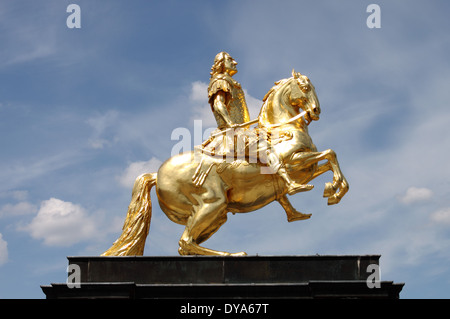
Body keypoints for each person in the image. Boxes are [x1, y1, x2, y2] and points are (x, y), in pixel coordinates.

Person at [206, 52, 311, 195]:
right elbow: (219, 105)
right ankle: (290, 184)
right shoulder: (220, 81)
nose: (235, 62)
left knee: (267, 157)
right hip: (232, 132)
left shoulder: (230, 82)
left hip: (241, 130)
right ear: (222, 64)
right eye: (230, 60)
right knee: (266, 149)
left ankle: (288, 208)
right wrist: (230, 124)